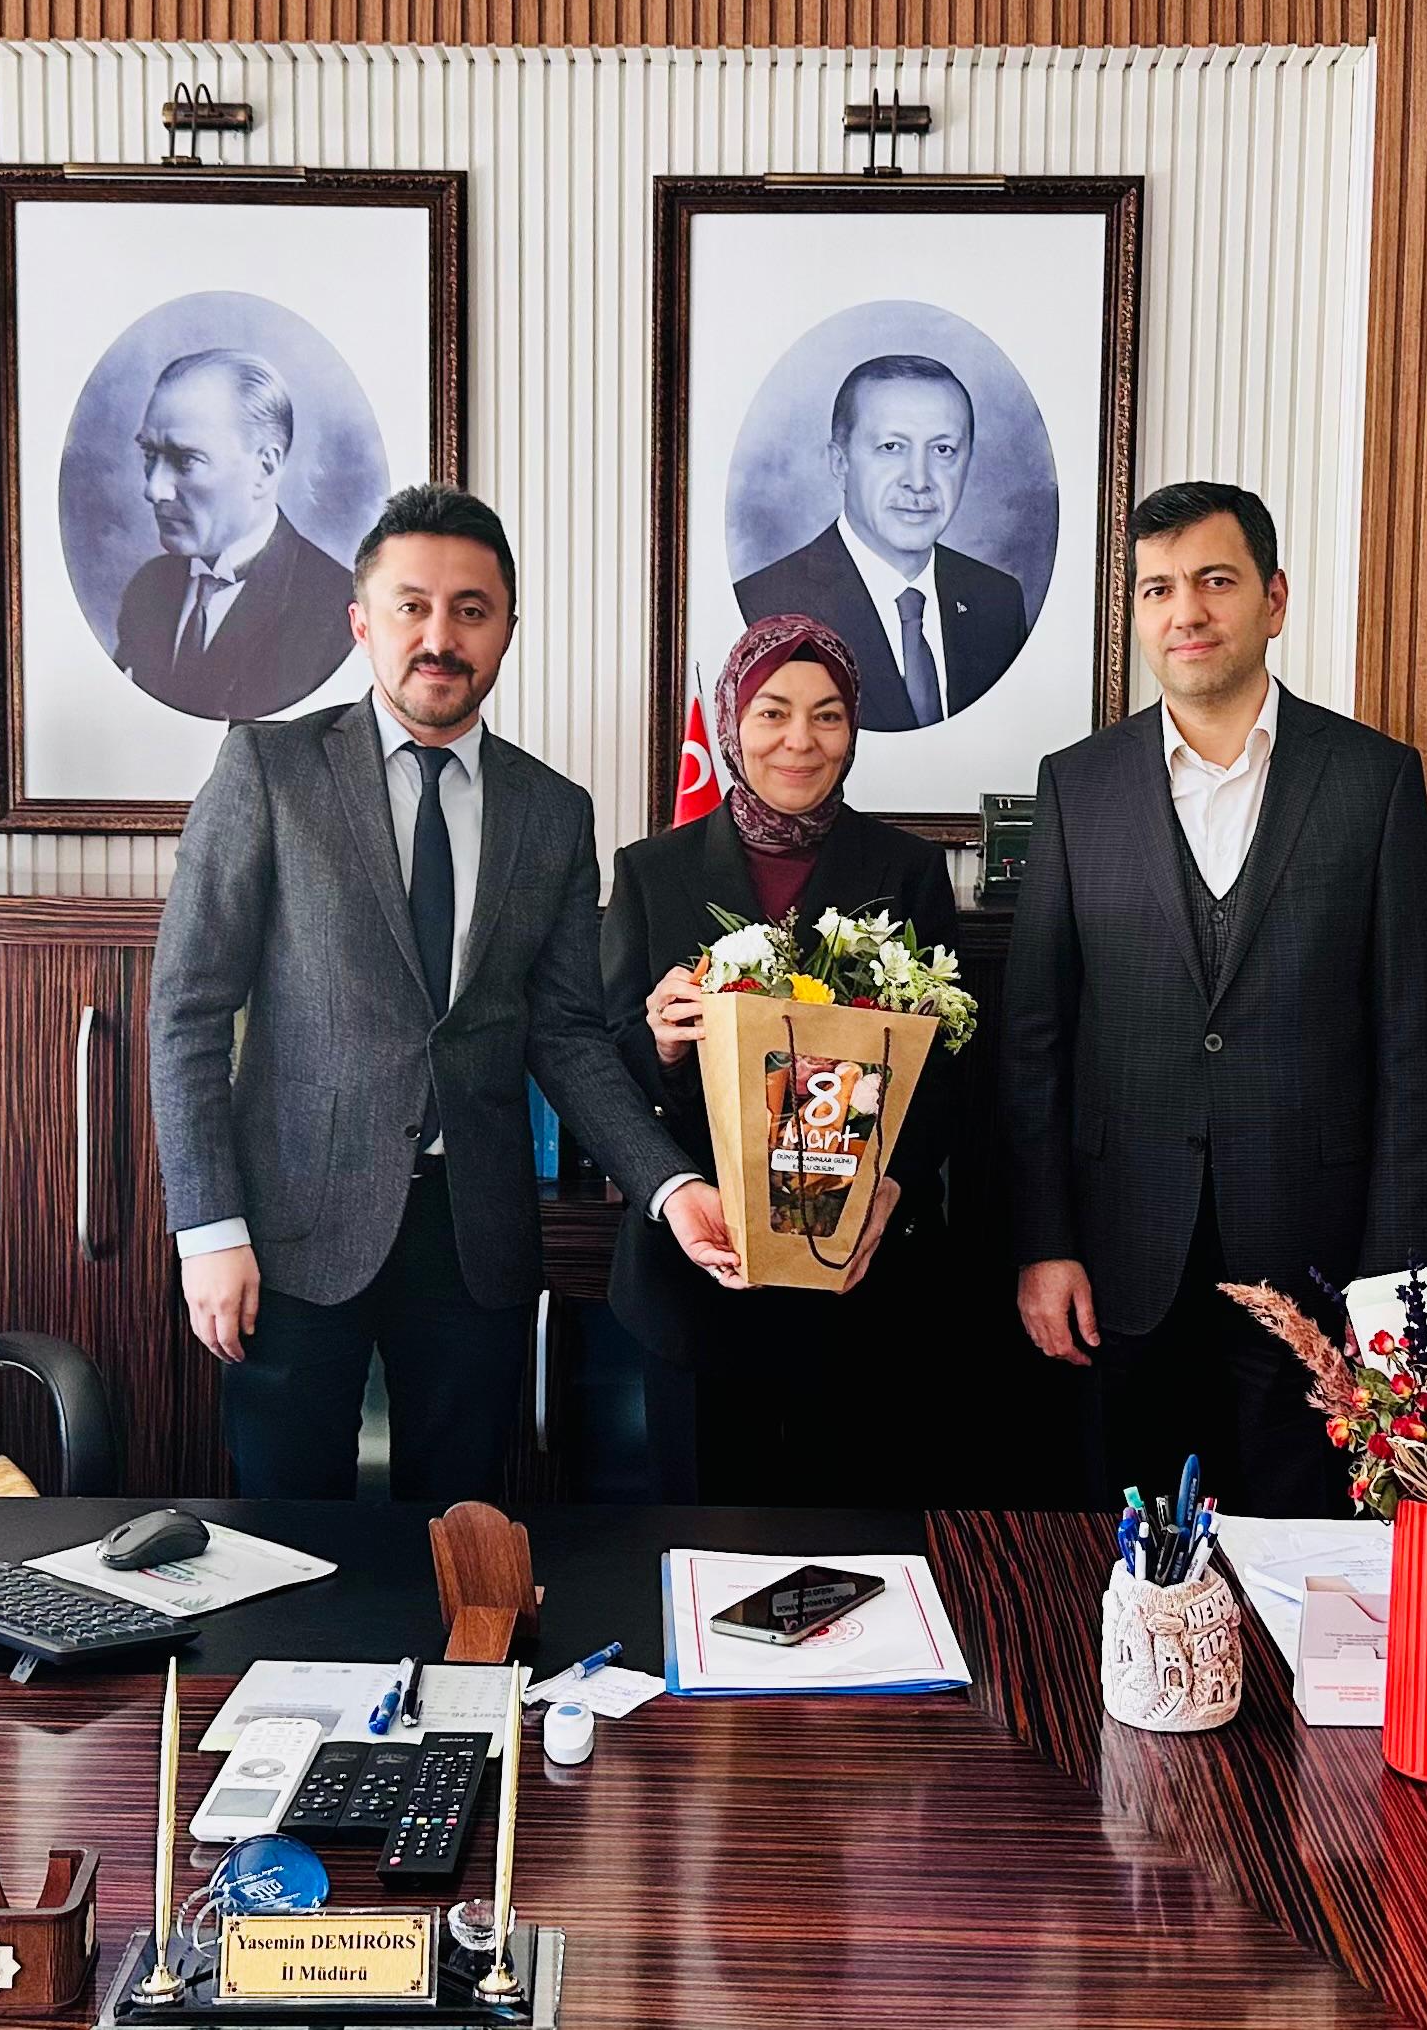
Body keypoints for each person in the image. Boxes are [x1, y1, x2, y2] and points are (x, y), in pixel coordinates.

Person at [149, 484, 738, 1503]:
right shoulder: (269, 771)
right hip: (289, 1234)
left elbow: (567, 1037)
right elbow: (188, 1014)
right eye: (411, 606)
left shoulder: (553, 811)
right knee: (285, 1542)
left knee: (456, 1540)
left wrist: (672, 1186)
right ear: (361, 622)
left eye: (471, 610)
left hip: (476, 1241)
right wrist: (208, 1230)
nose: (439, 637)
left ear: (506, 628)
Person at [1003, 480, 1427, 1516]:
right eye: (1158, 589)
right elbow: (1035, 1043)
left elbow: (1414, 1054)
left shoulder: (1373, 781)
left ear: (1273, 600)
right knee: (1135, 1561)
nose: (1186, 612)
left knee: (1307, 1554)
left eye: (1215, 581)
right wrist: (1043, 1242)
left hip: (1314, 1259)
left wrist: (1397, 1291)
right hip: (1120, 1258)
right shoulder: (1078, 785)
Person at [599, 615, 969, 1506]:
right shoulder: (652, 871)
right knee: (705, 1550)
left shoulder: (908, 870)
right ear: (733, 724)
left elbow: (948, 1072)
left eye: (827, 714)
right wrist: (662, 1041)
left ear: (853, 728)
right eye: (772, 712)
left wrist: (894, 1186)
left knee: (857, 1557)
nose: (800, 740)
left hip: (861, 1289)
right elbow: (607, 1068)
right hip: (699, 1287)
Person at [730, 353, 1031, 730]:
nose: (919, 480)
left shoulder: (999, 601)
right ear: (839, 463)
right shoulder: (766, 605)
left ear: (968, 461)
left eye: (943, 450)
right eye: (892, 447)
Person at [111, 349, 358, 722]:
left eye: (185, 460)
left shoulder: (339, 612)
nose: (154, 489)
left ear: (264, 468)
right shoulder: (148, 589)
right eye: (149, 454)